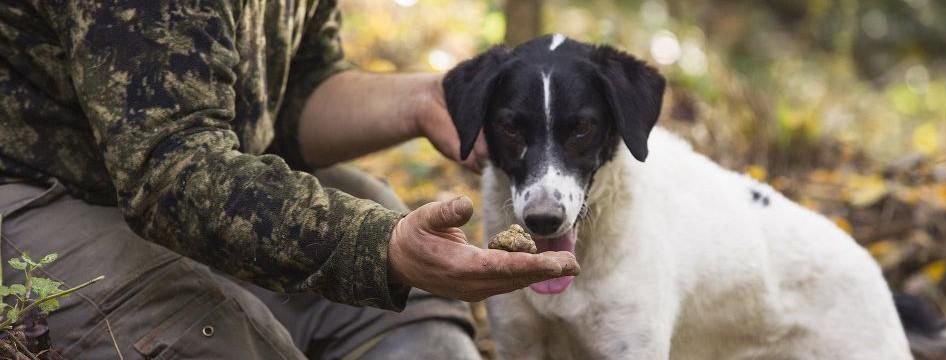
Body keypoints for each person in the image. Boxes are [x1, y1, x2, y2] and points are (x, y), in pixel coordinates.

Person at [0, 0, 580, 358]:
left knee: (420, 318)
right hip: (33, 188)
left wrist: (423, 99)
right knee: (214, 333)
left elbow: (293, 93)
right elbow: (172, 170)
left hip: (172, 178)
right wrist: (379, 248)